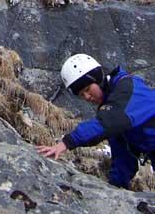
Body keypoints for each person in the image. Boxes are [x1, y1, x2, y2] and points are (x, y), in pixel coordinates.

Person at [37, 54, 155, 189]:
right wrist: (114, 188)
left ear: (98, 78)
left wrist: (67, 142)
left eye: (87, 89)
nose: (87, 97)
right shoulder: (113, 112)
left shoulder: (127, 89)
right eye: (81, 95)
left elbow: (106, 123)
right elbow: (123, 157)